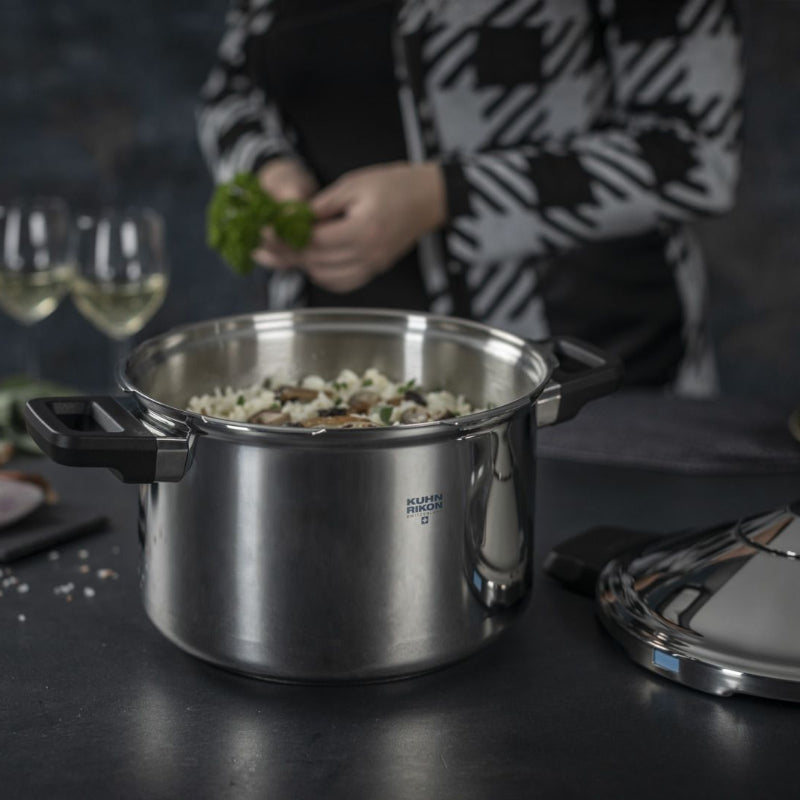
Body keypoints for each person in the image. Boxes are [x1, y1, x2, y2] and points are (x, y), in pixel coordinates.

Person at [197, 0, 743, 394]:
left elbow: (694, 154)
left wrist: (444, 195)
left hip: (583, 371)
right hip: (340, 378)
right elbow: (231, 91)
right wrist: (267, 172)